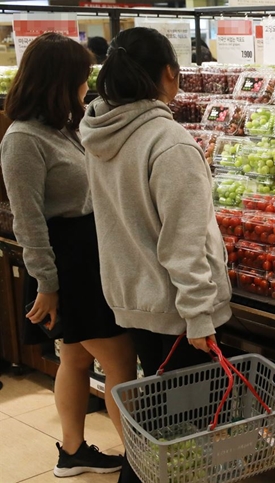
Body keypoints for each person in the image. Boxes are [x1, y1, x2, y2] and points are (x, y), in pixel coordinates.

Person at [80, 27, 232, 481]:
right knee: (184, 439)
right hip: (179, 313)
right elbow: (183, 246)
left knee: (158, 427)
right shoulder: (170, 144)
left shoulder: (99, 130)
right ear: (170, 72)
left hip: (133, 298)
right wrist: (201, 319)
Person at [0, 33, 137, 477]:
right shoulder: (22, 140)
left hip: (88, 252)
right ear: (59, 81)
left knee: (76, 356)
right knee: (118, 360)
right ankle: (140, 463)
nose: (87, 85)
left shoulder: (62, 127)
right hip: (68, 263)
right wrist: (48, 284)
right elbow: (29, 221)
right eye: (82, 77)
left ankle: (72, 450)